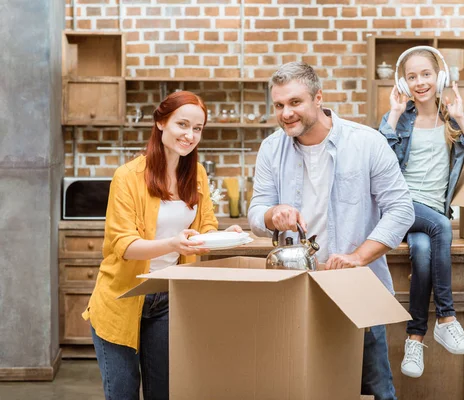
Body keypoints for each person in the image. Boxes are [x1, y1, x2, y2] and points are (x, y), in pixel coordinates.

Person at [248, 61, 415, 400]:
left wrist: (358, 256)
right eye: (279, 105)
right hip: (294, 292)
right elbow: (255, 211)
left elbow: (401, 210)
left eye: (295, 102)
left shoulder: (367, 143)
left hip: (356, 291)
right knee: (303, 389)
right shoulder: (271, 148)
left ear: (318, 98)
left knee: (376, 391)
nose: (285, 113)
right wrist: (272, 214)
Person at [82, 91, 242, 400]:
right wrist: (172, 243)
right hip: (121, 297)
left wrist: (224, 236)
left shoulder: (196, 174)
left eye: (197, 128)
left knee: (164, 393)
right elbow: (124, 245)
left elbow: (205, 226)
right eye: (182, 124)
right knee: (123, 392)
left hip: (168, 298)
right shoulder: (128, 177)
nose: (190, 135)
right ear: (160, 123)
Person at [378, 47, 464, 378]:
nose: (419, 82)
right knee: (442, 225)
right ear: (403, 82)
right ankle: (447, 318)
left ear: (439, 77)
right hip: (400, 205)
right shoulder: (400, 119)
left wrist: (461, 118)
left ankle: (415, 338)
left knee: (424, 250)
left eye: (425, 74)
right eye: (411, 76)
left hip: (427, 220)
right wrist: (394, 115)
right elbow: (379, 165)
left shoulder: (450, 120)